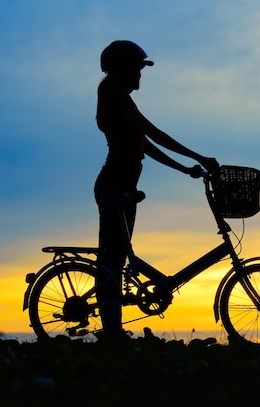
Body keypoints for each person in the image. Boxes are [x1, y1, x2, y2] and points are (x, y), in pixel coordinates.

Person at [94, 40, 219, 338]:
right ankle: (111, 328)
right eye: (137, 69)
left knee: (118, 257)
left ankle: (113, 327)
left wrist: (184, 168)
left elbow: (143, 145)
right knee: (112, 258)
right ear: (123, 70)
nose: (140, 76)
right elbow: (153, 132)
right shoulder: (117, 98)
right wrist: (197, 156)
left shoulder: (117, 97)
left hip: (122, 185)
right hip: (115, 185)